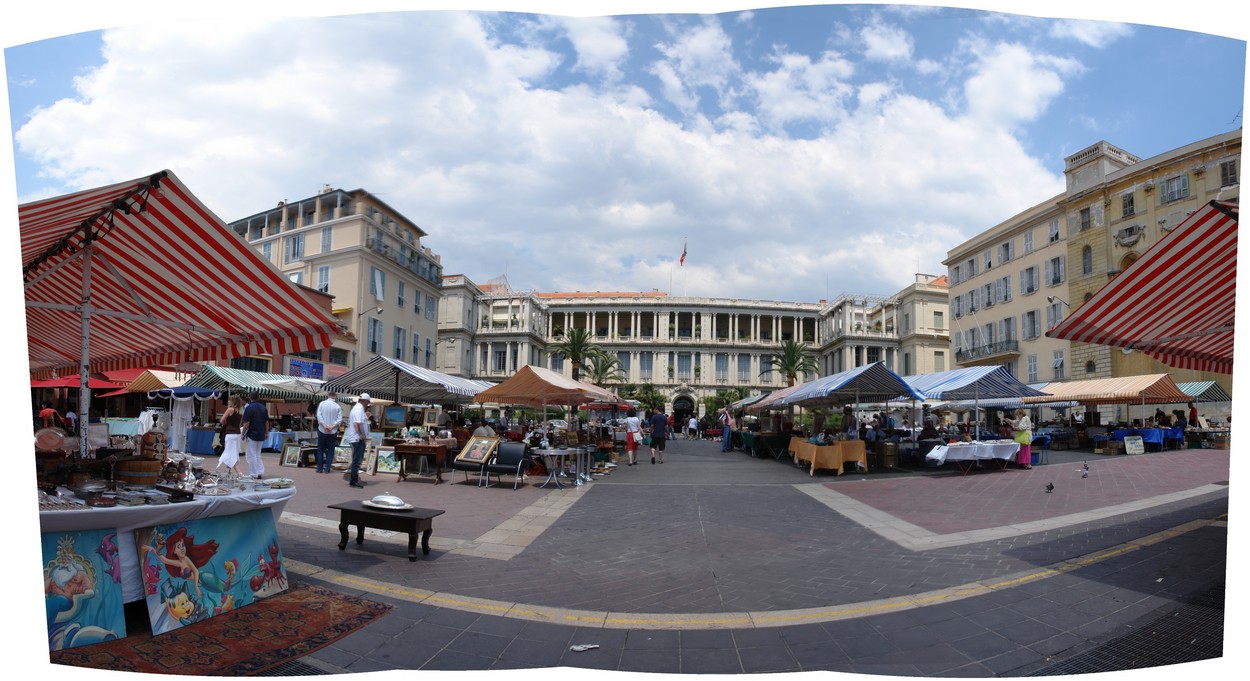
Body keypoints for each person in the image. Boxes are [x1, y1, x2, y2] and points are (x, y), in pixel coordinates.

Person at [345, 393, 372, 488]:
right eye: (367, 402)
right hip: (357, 438)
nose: (367, 404)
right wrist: (362, 435)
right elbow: (358, 424)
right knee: (357, 459)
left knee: (357, 459)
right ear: (364, 401)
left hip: (356, 437)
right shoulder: (359, 409)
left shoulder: (357, 408)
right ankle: (354, 480)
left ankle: (354, 479)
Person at [239, 393, 269, 479]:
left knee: (251, 454)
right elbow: (266, 422)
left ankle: (253, 473)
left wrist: (242, 433)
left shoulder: (249, 408)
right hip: (261, 433)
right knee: (257, 454)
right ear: (258, 397)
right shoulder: (264, 408)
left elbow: (247, 423)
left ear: (250, 398)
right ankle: (260, 471)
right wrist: (266, 433)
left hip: (252, 433)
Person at [315, 391, 343, 474]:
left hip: (322, 429)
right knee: (331, 449)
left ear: (328, 395)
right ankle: (327, 468)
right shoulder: (337, 406)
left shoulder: (322, 404)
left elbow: (319, 416)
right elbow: (339, 419)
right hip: (332, 431)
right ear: (335, 396)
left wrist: (324, 425)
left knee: (320, 448)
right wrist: (331, 426)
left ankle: (319, 468)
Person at [217, 395, 244, 477]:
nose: (228, 401)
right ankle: (229, 470)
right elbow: (239, 425)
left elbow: (222, 420)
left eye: (230, 400)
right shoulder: (240, 412)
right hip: (237, 434)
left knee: (229, 453)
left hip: (230, 433)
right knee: (233, 452)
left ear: (233, 402)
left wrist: (226, 423)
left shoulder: (230, 410)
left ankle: (239, 472)